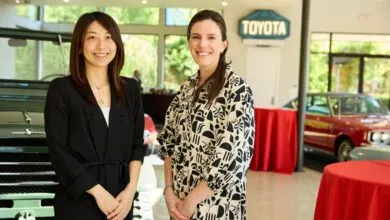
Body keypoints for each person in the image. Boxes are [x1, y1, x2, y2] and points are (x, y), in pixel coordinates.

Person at [44, 11, 144, 220]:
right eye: (92, 37)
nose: (102, 46)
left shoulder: (130, 89)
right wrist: (98, 193)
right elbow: (58, 151)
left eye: (108, 37)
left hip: (121, 201)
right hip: (79, 198)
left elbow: (137, 145)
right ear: (79, 46)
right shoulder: (61, 89)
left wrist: (130, 192)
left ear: (117, 43)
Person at [157, 9, 255, 220]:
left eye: (211, 37)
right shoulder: (187, 88)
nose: (202, 44)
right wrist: (168, 190)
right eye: (196, 37)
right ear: (189, 43)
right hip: (178, 205)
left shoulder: (237, 90)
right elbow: (168, 142)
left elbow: (234, 159)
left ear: (224, 44)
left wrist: (190, 203)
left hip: (217, 209)